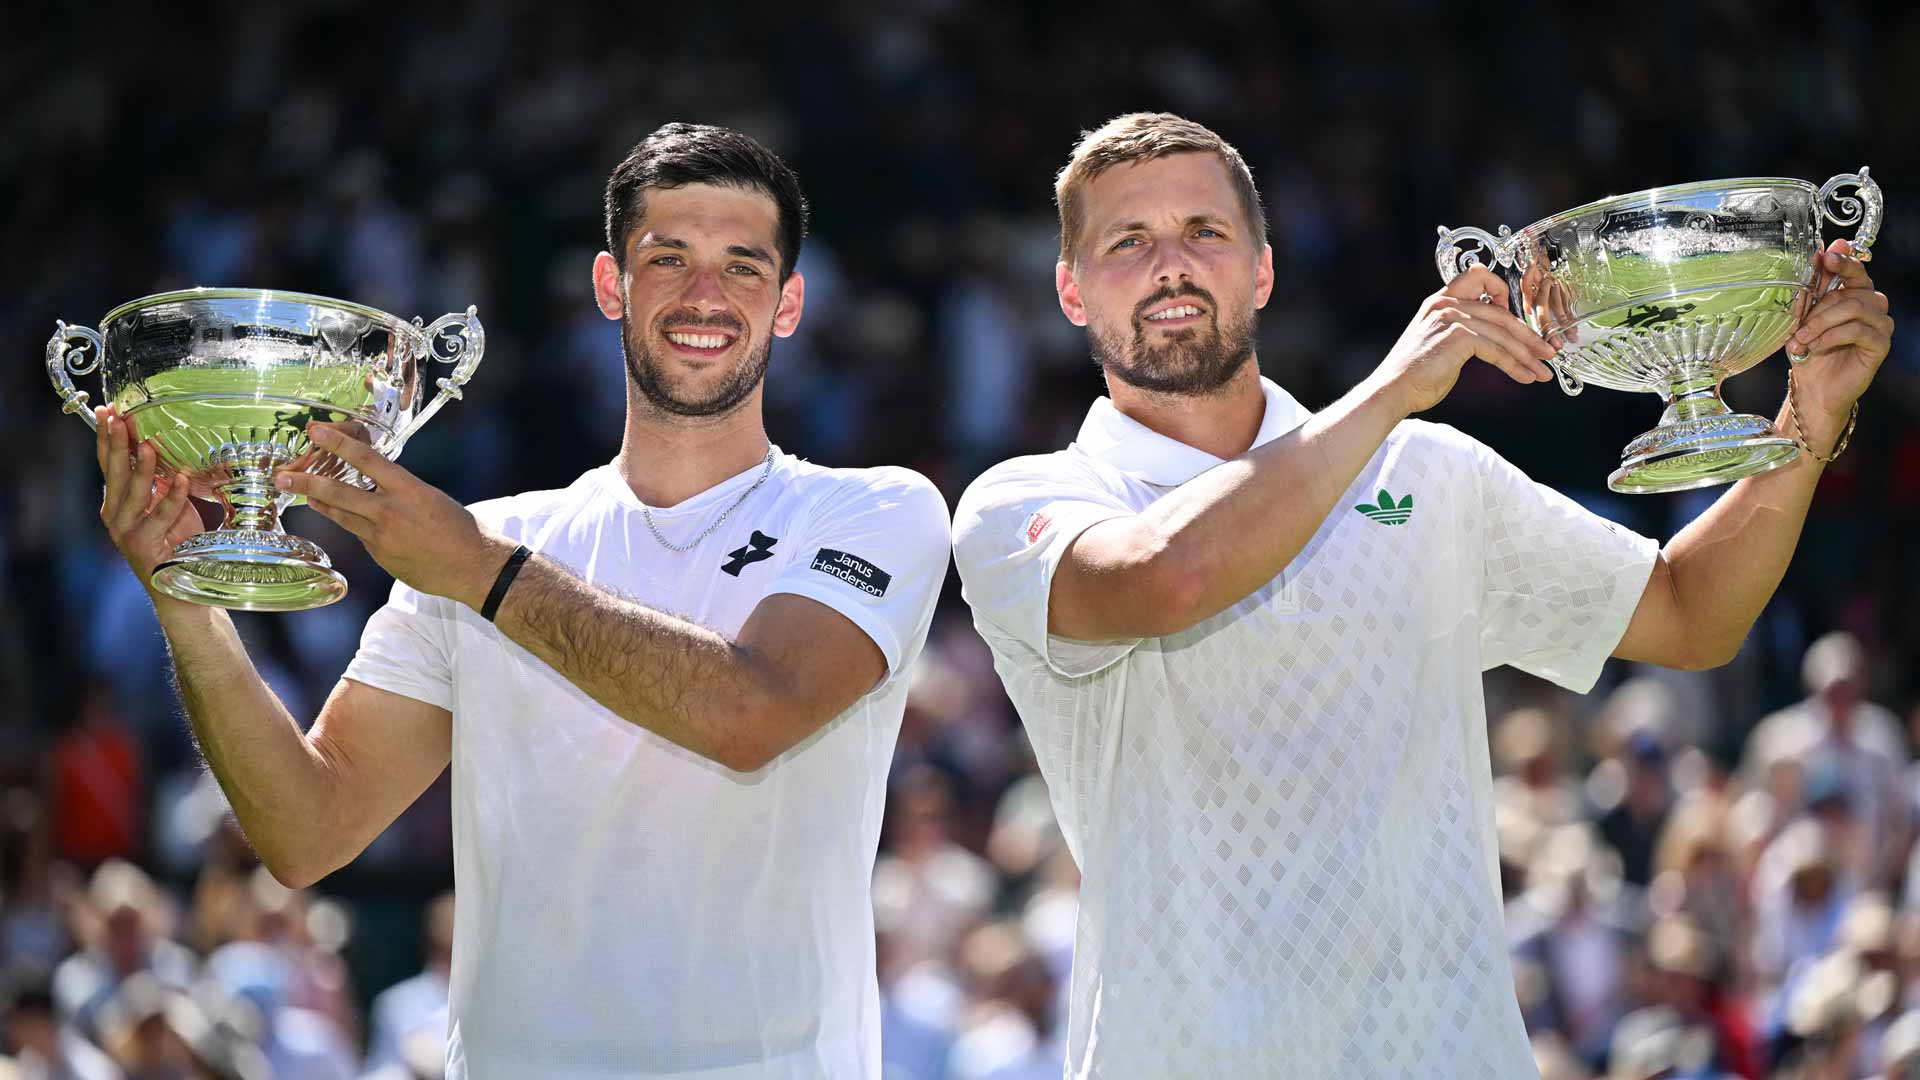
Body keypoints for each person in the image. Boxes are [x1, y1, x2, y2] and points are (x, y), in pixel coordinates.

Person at [950, 112, 1894, 1078]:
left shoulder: (1428, 473)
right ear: (1070, 290)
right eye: (1128, 242)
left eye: (1205, 231)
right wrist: (1389, 391)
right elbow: (1167, 577)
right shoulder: (1023, 502)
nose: (1172, 265)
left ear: (1263, 271)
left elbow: (1693, 615)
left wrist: (1807, 421)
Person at [94, 123, 951, 1078]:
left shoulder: (875, 510)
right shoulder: (480, 541)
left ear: (788, 303)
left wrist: (480, 572)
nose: (705, 295)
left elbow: (753, 712)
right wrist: (186, 598)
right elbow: (304, 831)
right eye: (668, 259)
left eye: (742, 267)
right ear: (610, 286)